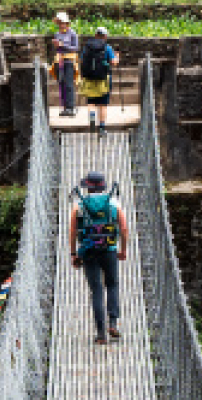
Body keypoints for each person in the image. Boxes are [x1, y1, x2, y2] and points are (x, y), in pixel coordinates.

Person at [69, 172, 129, 346]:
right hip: (109, 250)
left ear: (87, 187)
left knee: (96, 290)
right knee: (112, 285)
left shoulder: (79, 205)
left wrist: (74, 254)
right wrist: (122, 250)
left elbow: (73, 231)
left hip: (88, 251)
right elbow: (124, 229)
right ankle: (113, 323)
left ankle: (101, 334)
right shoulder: (113, 202)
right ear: (103, 186)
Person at [80, 27, 119, 137]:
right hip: (104, 80)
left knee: (91, 102)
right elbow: (114, 63)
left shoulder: (87, 47)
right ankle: (101, 128)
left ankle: (92, 116)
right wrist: (117, 58)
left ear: (96, 35)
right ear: (105, 36)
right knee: (103, 104)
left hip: (89, 79)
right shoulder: (107, 48)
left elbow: (82, 61)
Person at [52, 12, 79, 117]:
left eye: (61, 23)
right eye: (58, 23)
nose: (60, 25)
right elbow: (58, 48)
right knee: (61, 84)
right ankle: (64, 107)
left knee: (69, 84)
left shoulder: (72, 34)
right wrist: (57, 45)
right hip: (60, 60)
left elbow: (76, 48)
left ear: (66, 23)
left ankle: (71, 107)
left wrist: (63, 44)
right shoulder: (57, 34)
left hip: (69, 61)